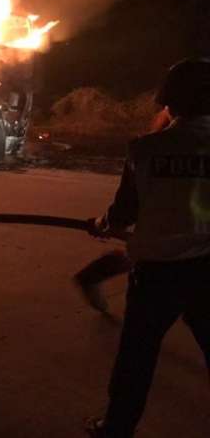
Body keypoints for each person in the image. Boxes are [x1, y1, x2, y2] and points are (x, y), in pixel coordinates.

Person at [84, 58, 210, 438]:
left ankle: (117, 427)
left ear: (168, 101)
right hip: (206, 269)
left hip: (156, 274)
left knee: (137, 355)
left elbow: (123, 214)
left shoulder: (144, 149)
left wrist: (102, 224)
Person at [73, 108, 172, 312]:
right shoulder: (148, 148)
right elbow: (126, 209)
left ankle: (96, 273)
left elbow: (125, 209)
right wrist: (109, 222)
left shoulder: (146, 147)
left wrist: (106, 223)